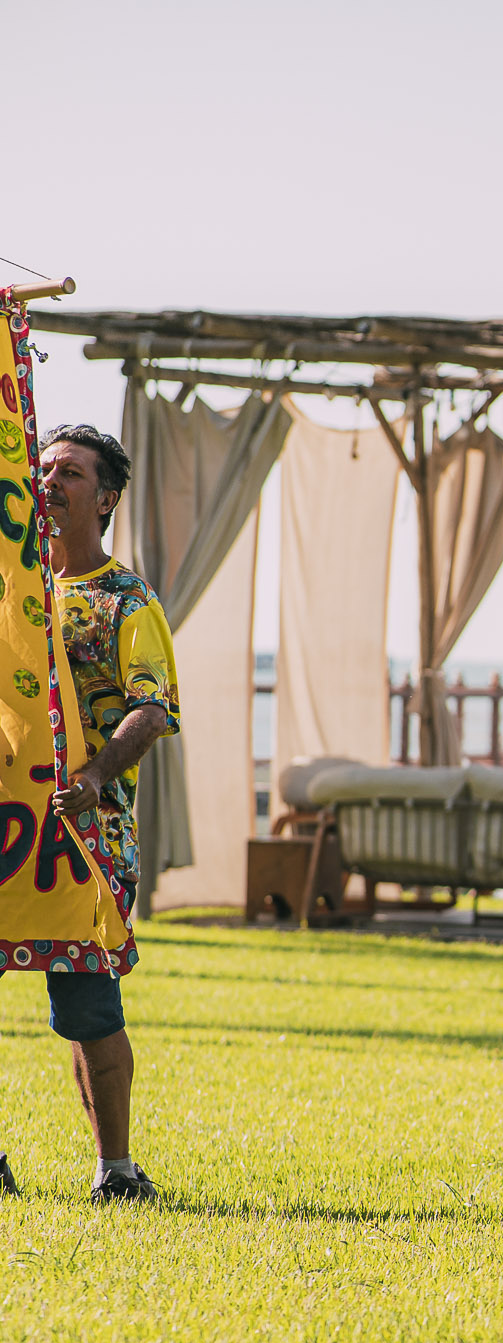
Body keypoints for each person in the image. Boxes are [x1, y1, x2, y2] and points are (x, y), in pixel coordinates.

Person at [35, 426, 180, 1202]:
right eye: (45, 467)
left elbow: (151, 710)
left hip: (87, 831)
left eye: (71, 472)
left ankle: (116, 1171)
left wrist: (94, 774)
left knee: (85, 995)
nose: (50, 480)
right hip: (8, 826)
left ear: (108, 497)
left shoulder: (126, 599)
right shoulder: (12, 588)